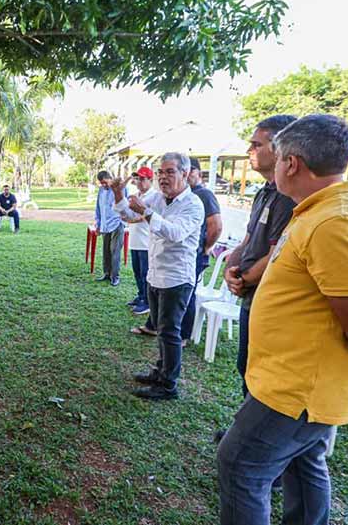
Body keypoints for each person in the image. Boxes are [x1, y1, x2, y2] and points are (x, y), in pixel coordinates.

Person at [217, 114, 348, 525]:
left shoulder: (338, 222)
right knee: (303, 462)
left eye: (276, 158)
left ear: (291, 163)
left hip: (299, 389)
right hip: (300, 384)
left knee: (240, 465)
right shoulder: (321, 210)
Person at [114, 152, 204, 400]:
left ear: (185, 174)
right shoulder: (158, 198)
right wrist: (118, 193)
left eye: (170, 172)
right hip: (156, 275)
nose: (163, 177)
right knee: (162, 329)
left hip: (176, 278)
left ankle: (168, 385)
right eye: (161, 172)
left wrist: (147, 212)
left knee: (169, 332)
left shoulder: (193, 204)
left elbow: (174, 233)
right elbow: (129, 216)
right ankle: (160, 371)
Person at [223, 115, 297, 401]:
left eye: (256, 144)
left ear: (279, 149)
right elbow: (248, 238)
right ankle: (245, 426)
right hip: (251, 295)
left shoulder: (290, 196)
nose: (249, 150)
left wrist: (243, 278)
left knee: (263, 372)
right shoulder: (264, 193)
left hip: (270, 300)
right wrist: (232, 269)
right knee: (247, 366)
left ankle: (250, 437)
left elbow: (279, 251)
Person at [179, 158, 223, 342]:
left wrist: (206, 248)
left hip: (196, 254)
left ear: (198, 172)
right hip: (183, 253)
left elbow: (216, 226)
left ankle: (183, 336)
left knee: (187, 295)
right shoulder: (184, 194)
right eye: (183, 171)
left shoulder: (204, 194)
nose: (186, 175)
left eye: (189, 171)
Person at [123, 167, 155, 315]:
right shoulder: (135, 195)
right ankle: (141, 296)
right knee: (137, 271)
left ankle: (147, 302)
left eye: (143, 179)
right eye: (137, 179)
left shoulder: (154, 196)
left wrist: (131, 219)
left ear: (150, 180)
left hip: (146, 241)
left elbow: (147, 216)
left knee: (145, 273)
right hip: (135, 239)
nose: (139, 182)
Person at [93, 171, 124, 286]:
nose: (104, 185)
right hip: (105, 225)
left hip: (117, 223)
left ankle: (115, 276)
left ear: (110, 178)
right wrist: (98, 223)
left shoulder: (119, 188)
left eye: (105, 182)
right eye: (102, 183)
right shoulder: (101, 190)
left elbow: (124, 205)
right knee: (106, 250)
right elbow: (98, 207)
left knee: (115, 251)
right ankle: (106, 273)